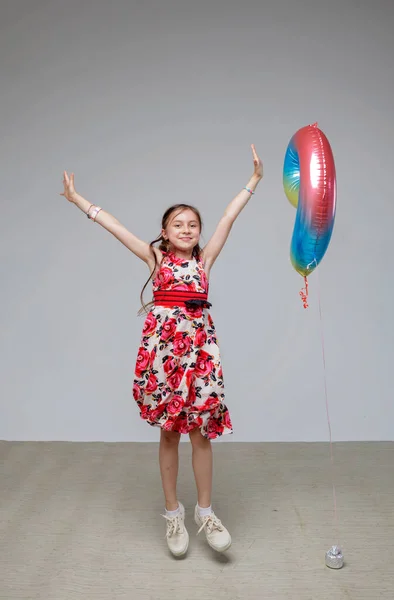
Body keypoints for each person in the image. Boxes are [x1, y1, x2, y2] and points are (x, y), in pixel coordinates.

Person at [59, 145, 263, 557]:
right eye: (177, 224)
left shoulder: (205, 262)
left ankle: (205, 512)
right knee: (170, 434)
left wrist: (253, 181)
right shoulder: (156, 259)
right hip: (165, 357)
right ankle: (173, 514)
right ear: (165, 232)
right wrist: (78, 199)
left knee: (201, 433)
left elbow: (228, 217)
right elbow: (115, 227)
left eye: (192, 225)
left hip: (200, 357)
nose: (186, 230)